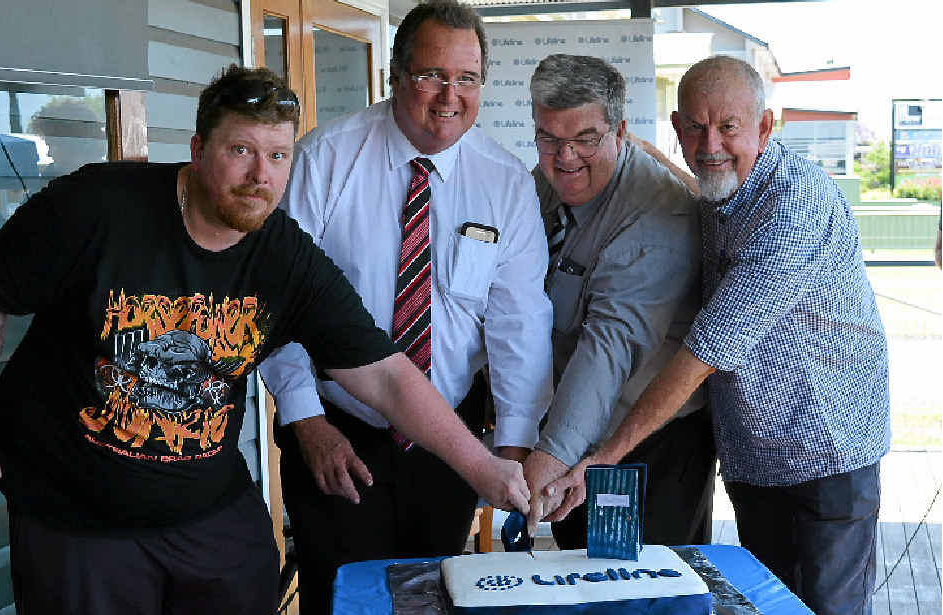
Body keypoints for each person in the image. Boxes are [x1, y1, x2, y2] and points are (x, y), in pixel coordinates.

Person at [0, 65, 530, 615]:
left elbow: (384, 374)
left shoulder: (284, 257)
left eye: (277, 155)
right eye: (241, 151)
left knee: (250, 574)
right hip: (76, 512)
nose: (260, 176)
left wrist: (482, 466)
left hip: (203, 501)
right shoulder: (97, 206)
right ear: (199, 150)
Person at [535, 56, 890, 615]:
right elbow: (690, 178)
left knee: (823, 608)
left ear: (765, 127)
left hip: (825, 454)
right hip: (753, 455)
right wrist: (629, 150)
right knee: (766, 605)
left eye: (728, 127)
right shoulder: (717, 192)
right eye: (696, 128)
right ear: (676, 128)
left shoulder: (792, 204)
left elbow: (703, 353)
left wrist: (603, 459)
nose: (711, 144)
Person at [258, 1, 553, 613]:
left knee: (436, 593)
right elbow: (275, 301)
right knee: (341, 595)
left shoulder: (505, 181)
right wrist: (305, 420)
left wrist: (513, 444)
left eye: (467, 78)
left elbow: (519, 322)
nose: (450, 96)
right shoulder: (324, 159)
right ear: (395, 75)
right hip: (337, 428)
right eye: (431, 76)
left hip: (449, 437)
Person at [519, 54, 715, 549]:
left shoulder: (657, 213)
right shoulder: (544, 181)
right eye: (549, 138)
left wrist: (550, 455)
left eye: (585, 139)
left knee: (638, 582)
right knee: (578, 572)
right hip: (571, 429)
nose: (565, 157)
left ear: (620, 131)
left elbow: (609, 346)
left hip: (646, 448)